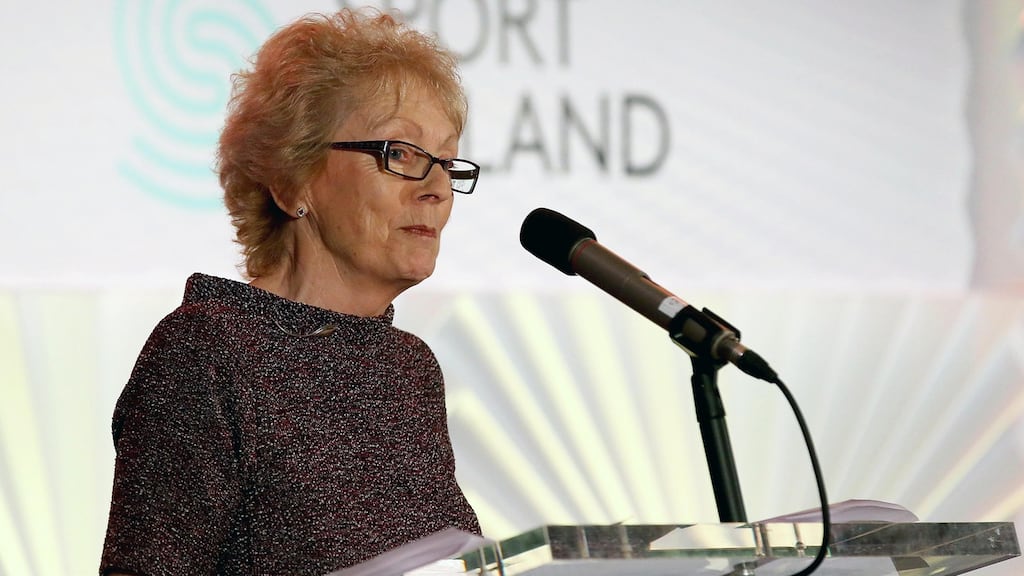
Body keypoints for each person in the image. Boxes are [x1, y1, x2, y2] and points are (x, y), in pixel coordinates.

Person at [99, 8, 481, 576]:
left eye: (447, 162)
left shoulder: (408, 369)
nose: (437, 189)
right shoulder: (208, 350)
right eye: (400, 153)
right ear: (292, 178)